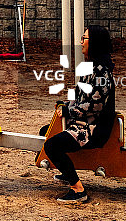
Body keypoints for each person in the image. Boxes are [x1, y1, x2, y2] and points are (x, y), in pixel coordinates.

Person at [41, 24, 115, 203]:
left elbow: (94, 106)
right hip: (83, 124)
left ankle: (78, 190)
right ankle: (68, 172)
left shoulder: (101, 72)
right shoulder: (90, 67)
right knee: (46, 131)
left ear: (94, 43)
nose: (81, 42)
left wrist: (69, 110)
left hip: (93, 129)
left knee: (51, 146)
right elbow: (81, 97)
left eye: (84, 38)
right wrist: (65, 104)